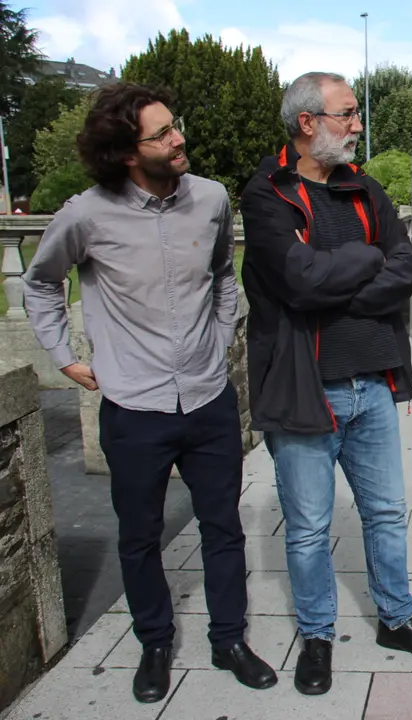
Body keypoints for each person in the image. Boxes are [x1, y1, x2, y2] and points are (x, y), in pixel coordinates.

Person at [22, 83, 277, 703]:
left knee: (223, 527)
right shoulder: (86, 214)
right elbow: (40, 283)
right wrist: (65, 357)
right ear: (126, 152)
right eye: (161, 134)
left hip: (209, 399)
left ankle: (229, 639)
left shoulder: (212, 199)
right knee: (138, 536)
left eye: (175, 125)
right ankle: (155, 643)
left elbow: (223, 273)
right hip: (134, 408)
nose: (178, 138)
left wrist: (218, 338)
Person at [238, 71, 412, 697]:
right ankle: (317, 634)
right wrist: (362, 265)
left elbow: (406, 267)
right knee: (308, 527)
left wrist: (340, 282)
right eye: (347, 113)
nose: (358, 124)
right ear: (308, 123)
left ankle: (396, 618)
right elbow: (298, 281)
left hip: (373, 385)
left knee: (387, 512)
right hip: (308, 390)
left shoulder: (365, 189)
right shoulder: (268, 194)